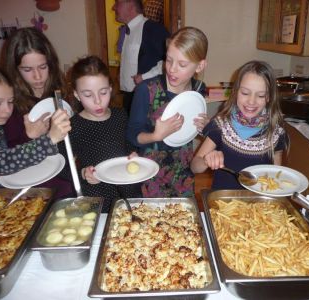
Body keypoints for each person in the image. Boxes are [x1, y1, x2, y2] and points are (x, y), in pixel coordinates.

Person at [127, 26, 209, 198]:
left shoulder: (199, 90)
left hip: (183, 174)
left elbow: (189, 130)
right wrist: (155, 136)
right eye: (169, 60)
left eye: (182, 64)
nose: (172, 69)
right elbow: (132, 134)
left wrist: (203, 127)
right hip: (150, 174)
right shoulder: (146, 89)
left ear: (200, 66)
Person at [0, 63, 71, 193]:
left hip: (1, 194)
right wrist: (49, 140)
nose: (7, 110)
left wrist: (30, 136)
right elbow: (2, 162)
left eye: (10, 101)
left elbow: (15, 155)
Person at [190, 60, 289, 190]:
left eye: (260, 95)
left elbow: (277, 173)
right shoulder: (221, 125)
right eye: (245, 93)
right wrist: (205, 160)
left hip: (259, 206)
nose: (251, 101)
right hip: (223, 204)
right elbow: (194, 167)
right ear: (236, 92)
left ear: (269, 97)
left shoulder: (276, 132)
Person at [0, 27, 74, 199]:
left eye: (43, 66)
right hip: (31, 192)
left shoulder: (61, 93)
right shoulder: (8, 103)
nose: (38, 76)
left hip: (65, 182)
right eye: (27, 70)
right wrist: (29, 136)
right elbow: (3, 161)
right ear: (15, 69)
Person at [68, 55, 141, 212]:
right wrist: (83, 172)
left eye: (103, 92)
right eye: (88, 95)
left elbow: (128, 145)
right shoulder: (73, 125)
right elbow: (63, 166)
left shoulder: (120, 115)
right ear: (76, 94)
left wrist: (134, 154)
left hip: (127, 190)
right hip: (97, 195)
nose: (97, 101)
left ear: (110, 88)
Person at [112, 0, 170, 116]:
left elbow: (168, 62)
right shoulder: (124, 30)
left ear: (130, 5)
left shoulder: (154, 30)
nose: (113, 8)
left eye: (117, 3)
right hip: (129, 96)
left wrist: (144, 76)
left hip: (147, 98)